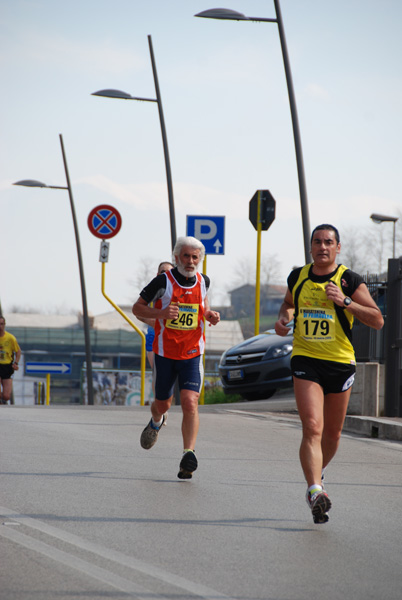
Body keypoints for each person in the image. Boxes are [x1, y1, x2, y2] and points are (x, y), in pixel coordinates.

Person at [274, 224, 384, 524]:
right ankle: (314, 491)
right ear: (310, 247)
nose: (323, 247)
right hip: (306, 359)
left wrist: (346, 301)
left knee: (333, 434)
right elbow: (288, 305)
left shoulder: (349, 280)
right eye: (317, 242)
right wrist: (284, 319)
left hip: (340, 362)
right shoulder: (298, 277)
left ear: (338, 247)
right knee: (312, 426)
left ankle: (317, 472)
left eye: (329, 242)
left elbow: (377, 320)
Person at [132, 236, 220, 479]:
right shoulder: (163, 282)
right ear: (176, 257)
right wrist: (160, 312)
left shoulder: (204, 282)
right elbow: (137, 308)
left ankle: (188, 454)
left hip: (192, 353)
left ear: (199, 259)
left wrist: (209, 314)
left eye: (195, 257)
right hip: (165, 354)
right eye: (186, 256)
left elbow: (202, 306)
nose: (190, 261)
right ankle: (156, 421)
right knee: (163, 403)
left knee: (190, 402)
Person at [138, 261, 174, 370]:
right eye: (163, 272)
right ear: (158, 275)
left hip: (173, 339)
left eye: (169, 272)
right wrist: (151, 321)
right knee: (158, 375)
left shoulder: (178, 291)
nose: (166, 274)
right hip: (154, 338)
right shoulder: (153, 290)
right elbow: (138, 311)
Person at [0, 315, 21, 405]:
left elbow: (18, 351)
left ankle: (3, 399)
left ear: (4, 325)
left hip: (7, 366)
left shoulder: (10, 338)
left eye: (1, 324)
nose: (0, 326)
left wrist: (16, 363)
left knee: (6, 396)